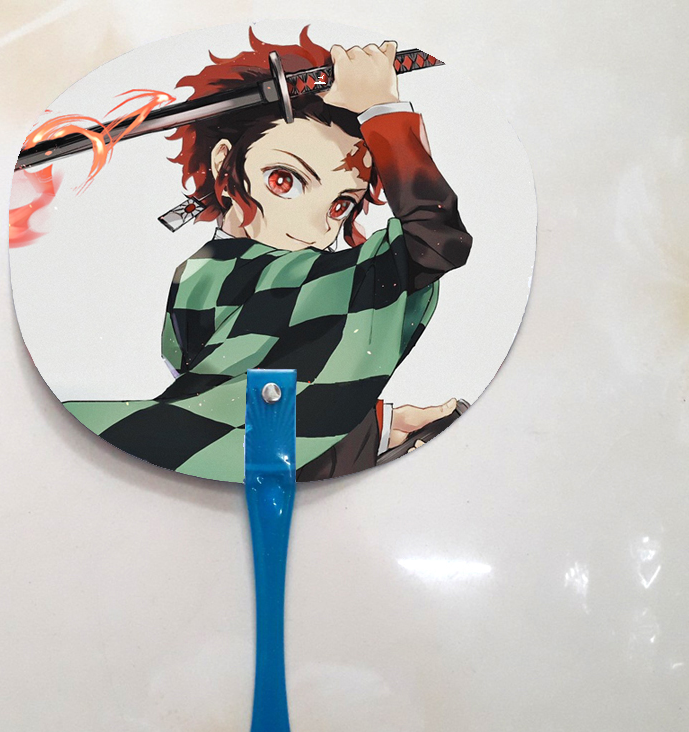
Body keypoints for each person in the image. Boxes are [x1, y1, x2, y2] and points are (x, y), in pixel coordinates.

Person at [64, 29, 472, 482]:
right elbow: (436, 240)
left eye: (341, 206)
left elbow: (246, 388)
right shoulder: (262, 276)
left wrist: (379, 425)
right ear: (225, 163)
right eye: (284, 181)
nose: (313, 229)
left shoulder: (203, 272)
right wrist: (383, 111)